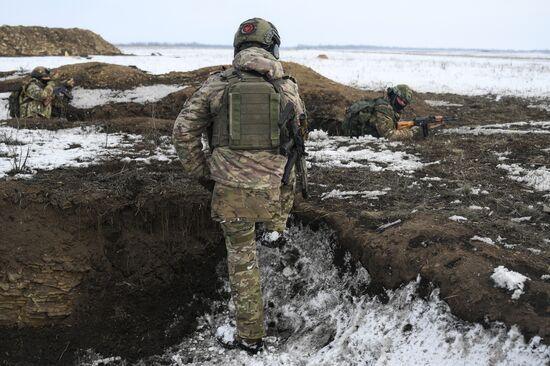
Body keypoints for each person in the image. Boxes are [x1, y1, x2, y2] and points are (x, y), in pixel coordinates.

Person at [172, 17, 306, 354]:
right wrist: (281, 199)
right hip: (272, 190)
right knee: (289, 163)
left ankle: (250, 338)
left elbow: (182, 132)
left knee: (243, 263)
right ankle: (275, 229)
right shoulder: (288, 86)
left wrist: (204, 172)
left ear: (238, 47)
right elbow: (297, 143)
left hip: (230, 190)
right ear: (273, 46)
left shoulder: (217, 84)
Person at [342, 84, 419, 140]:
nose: (402, 103)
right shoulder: (383, 109)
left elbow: (393, 125)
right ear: (394, 95)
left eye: (404, 102)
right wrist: (411, 133)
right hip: (349, 135)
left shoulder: (389, 106)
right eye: (400, 99)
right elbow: (388, 135)